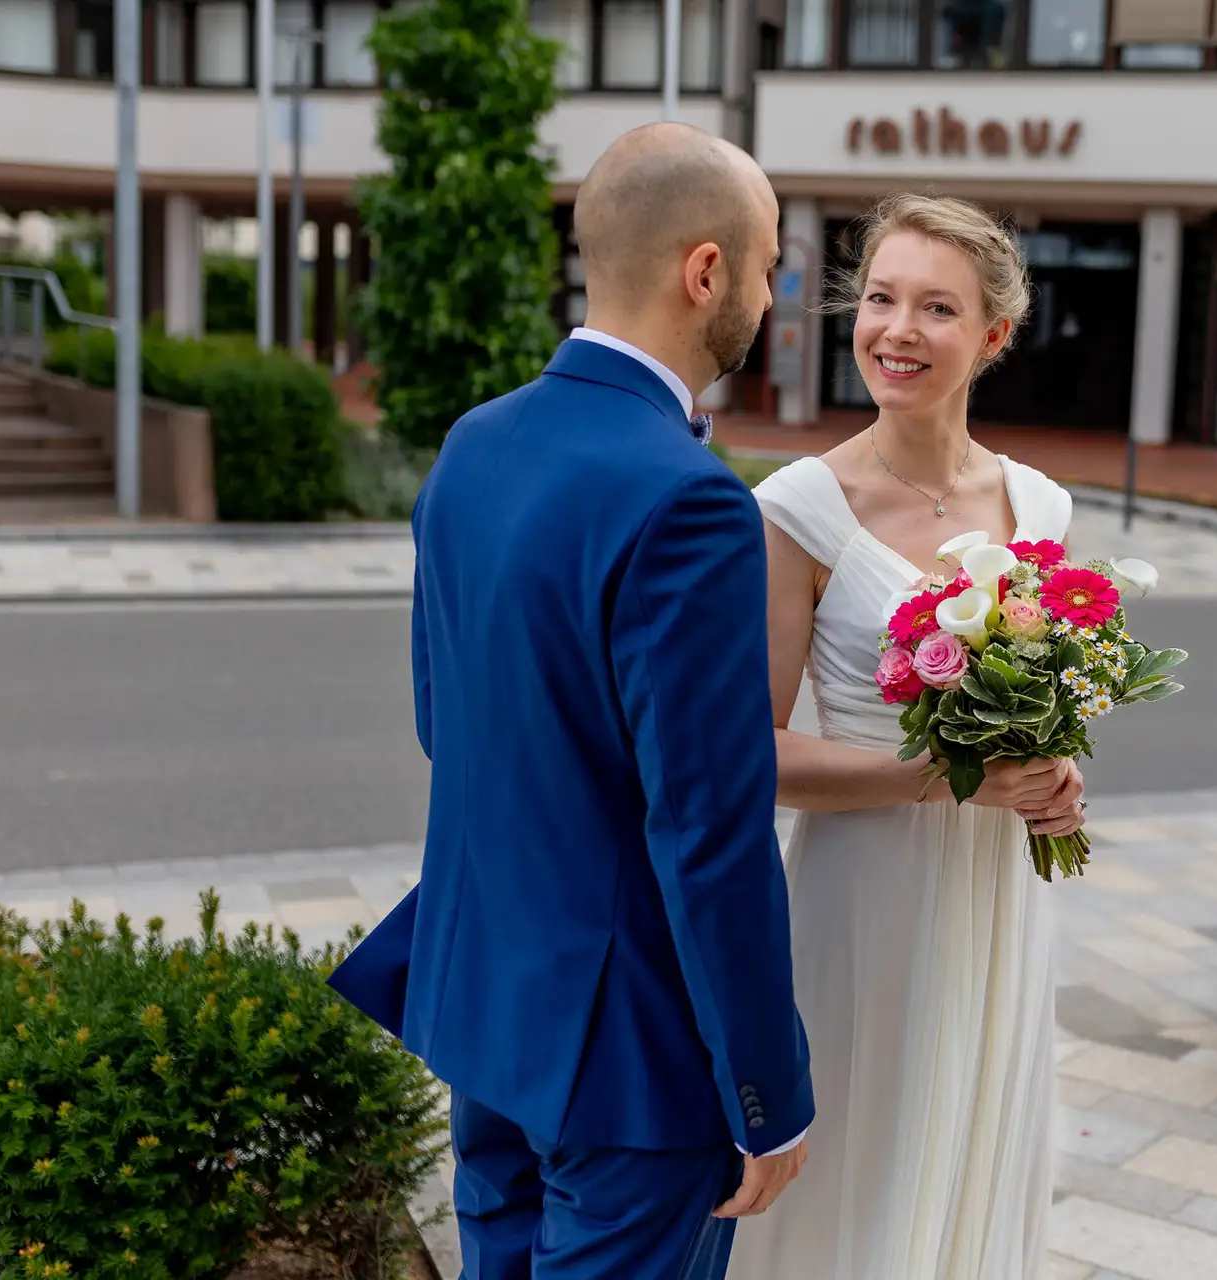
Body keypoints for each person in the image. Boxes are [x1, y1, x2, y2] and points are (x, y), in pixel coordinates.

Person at [326, 122, 813, 1280]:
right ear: (707, 271)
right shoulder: (690, 499)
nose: (772, 286)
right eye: (768, 260)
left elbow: (445, 724)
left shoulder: (475, 442)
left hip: (487, 1004)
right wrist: (768, 1092)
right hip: (632, 1063)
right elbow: (708, 828)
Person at [726, 194, 1085, 1280]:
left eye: (937, 307)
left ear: (992, 336)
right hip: (862, 893)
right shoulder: (799, 506)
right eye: (880, 298)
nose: (897, 329)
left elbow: (1051, 700)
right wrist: (948, 780)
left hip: (1002, 898)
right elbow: (751, 755)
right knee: (860, 1159)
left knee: (977, 1143)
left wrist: (1061, 773)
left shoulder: (1041, 506)